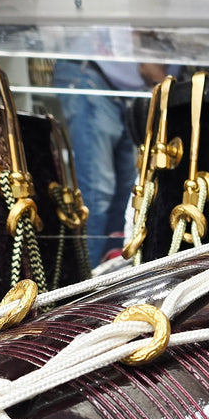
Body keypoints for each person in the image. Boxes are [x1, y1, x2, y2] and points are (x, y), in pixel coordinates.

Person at [53, 59, 161, 265]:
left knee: (122, 194)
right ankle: (87, 278)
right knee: (97, 193)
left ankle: (104, 270)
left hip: (121, 90)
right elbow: (150, 67)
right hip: (92, 76)